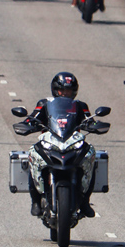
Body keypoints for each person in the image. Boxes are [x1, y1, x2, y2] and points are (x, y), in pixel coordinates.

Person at [23, 72, 97, 218]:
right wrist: (27, 124)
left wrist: (95, 125)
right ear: (55, 90)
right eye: (62, 90)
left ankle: (85, 201)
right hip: (50, 140)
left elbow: (90, 121)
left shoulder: (80, 106)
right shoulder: (45, 103)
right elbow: (32, 118)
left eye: (68, 91)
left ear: (74, 91)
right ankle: (36, 201)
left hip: (73, 142)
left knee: (90, 155)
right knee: (33, 155)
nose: (65, 93)